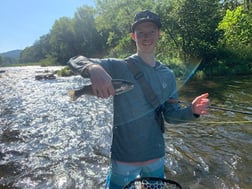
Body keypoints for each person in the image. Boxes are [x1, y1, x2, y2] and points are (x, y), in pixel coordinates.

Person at [68, 10, 210, 189]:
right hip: (123, 157)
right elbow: (74, 60)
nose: (146, 37)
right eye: (140, 33)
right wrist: (93, 68)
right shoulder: (118, 66)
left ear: (159, 34)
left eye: (151, 32)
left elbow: (171, 116)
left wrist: (192, 111)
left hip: (156, 155)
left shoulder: (168, 75)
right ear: (132, 36)